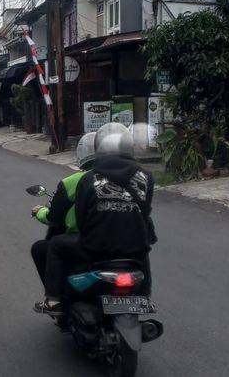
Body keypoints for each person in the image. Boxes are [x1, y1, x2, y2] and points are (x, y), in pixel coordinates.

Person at [35, 123, 156, 315]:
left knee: (57, 244)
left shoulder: (87, 179)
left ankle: (53, 300)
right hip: (134, 247)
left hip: (96, 248)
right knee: (143, 249)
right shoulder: (146, 177)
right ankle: (145, 296)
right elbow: (145, 211)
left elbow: (83, 218)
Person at [30, 132, 96, 288]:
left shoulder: (73, 181)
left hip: (86, 241)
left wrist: (39, 211)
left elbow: (53, 217)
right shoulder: (130, 178)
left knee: (47, 247)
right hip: (125, 243)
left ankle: (54, 297)